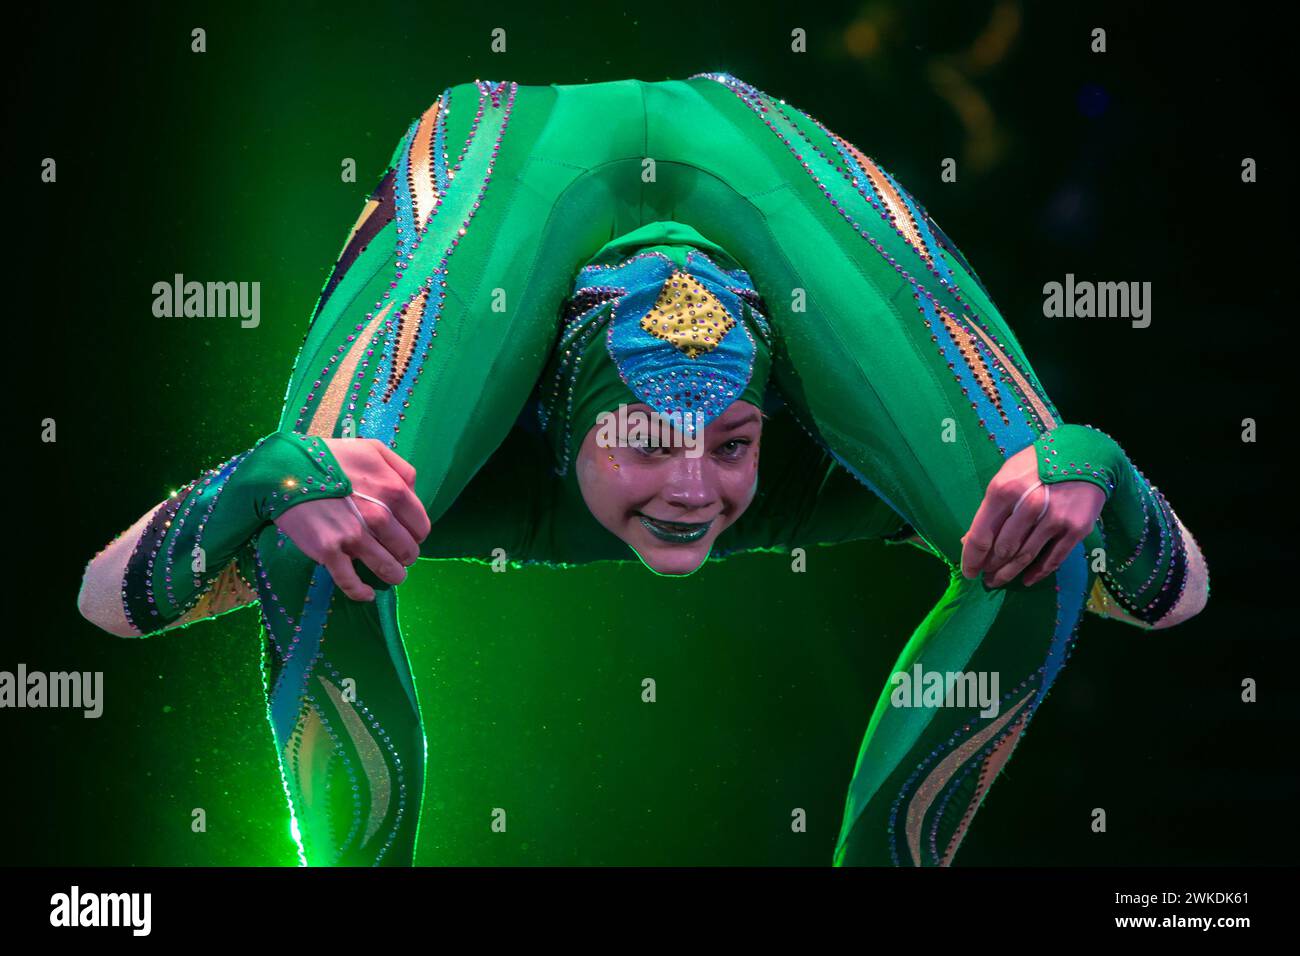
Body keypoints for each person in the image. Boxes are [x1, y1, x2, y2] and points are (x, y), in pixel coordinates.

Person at [78, 74, 1209, 867]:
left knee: (1039, 529)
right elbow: (105, 602)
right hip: (517, 153)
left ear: (773, 421)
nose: (694, 493)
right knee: (317, 517)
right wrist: (264, 475)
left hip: (750, 150)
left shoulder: (825, 462)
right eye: (649, 443)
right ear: (562, 431)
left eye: (729, 445)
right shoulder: (459, 469)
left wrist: (1090, 461)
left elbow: (1170, 599)